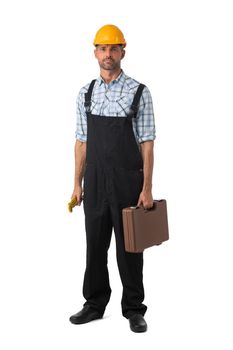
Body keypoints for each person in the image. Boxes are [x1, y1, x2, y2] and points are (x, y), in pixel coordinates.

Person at [69, 24, 156, 333]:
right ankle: (94, 303)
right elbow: (82, 141)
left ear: (123, 51)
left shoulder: (138, 91)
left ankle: (133, 308)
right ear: (95, 53)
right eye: (103, 48)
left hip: (127, 181)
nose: (108, 54)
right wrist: (77, 185)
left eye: (113, 48)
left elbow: (147, 142)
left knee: (130, 247)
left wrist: (147, 188)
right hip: (94, 180)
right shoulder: (86, 92)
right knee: (95, 245)